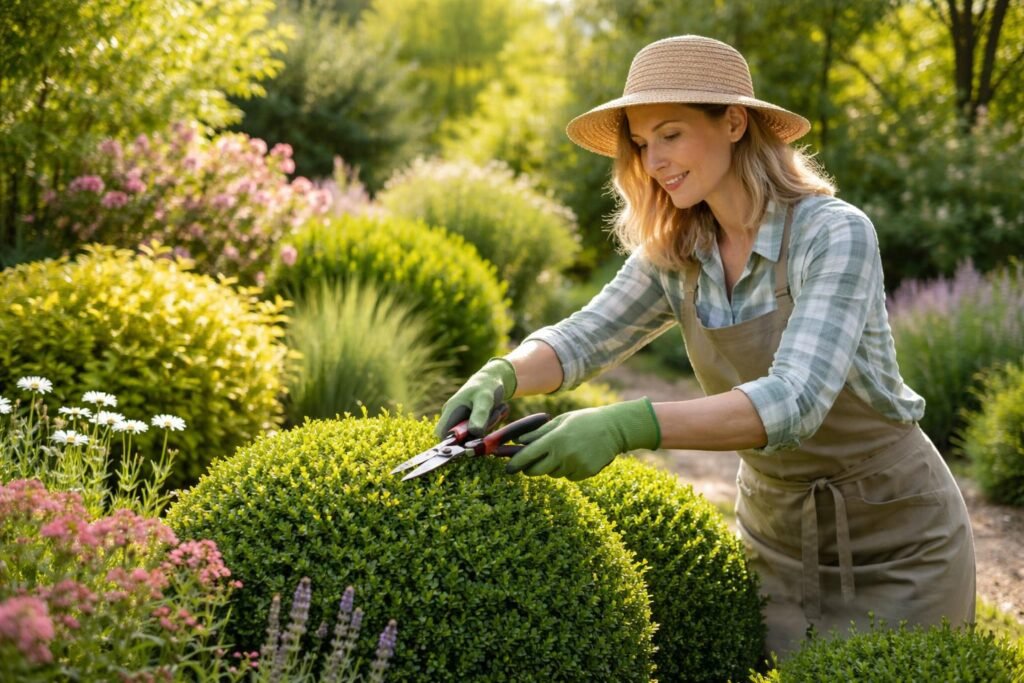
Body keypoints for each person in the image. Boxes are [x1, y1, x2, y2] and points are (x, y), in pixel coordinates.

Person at [434, 35, 976, 657]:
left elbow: (793, 401)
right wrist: (504, 370)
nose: (654, 160)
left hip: (899, 536)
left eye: (671, 134)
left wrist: (624, 425)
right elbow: (585, 335)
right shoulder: (677, 249)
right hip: (776, 538)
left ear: (735, 123)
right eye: (641, 144)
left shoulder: (834, 235)